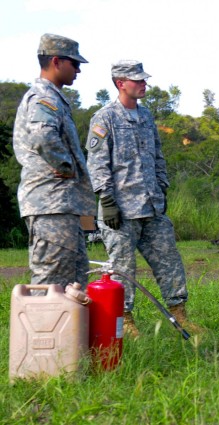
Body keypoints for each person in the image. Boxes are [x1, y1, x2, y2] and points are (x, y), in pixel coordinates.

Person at [86, 60, 201, 337]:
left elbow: (158, 155)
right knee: (123, 268)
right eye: (136, 80)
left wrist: (162, 186)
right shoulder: (105, 118)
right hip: (120, 211)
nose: (143, 84)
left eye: (143, 79)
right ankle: (125, 320)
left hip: (152, 207)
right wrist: (107, 200)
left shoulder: (147, 116)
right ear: (120, 83)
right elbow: (97, 163)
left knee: (169, 260)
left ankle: (180, 314)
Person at [13, 33, 95, 288]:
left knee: (73, 281)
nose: (79, 70)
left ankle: (68, 330)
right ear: (57, 61)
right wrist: (65, 165)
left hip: (61, 205)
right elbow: (43, 135)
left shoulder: (55, 98)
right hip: (50, 204)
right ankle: (40, 329)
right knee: (51, 283)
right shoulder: (43, 98)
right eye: (75, 63)